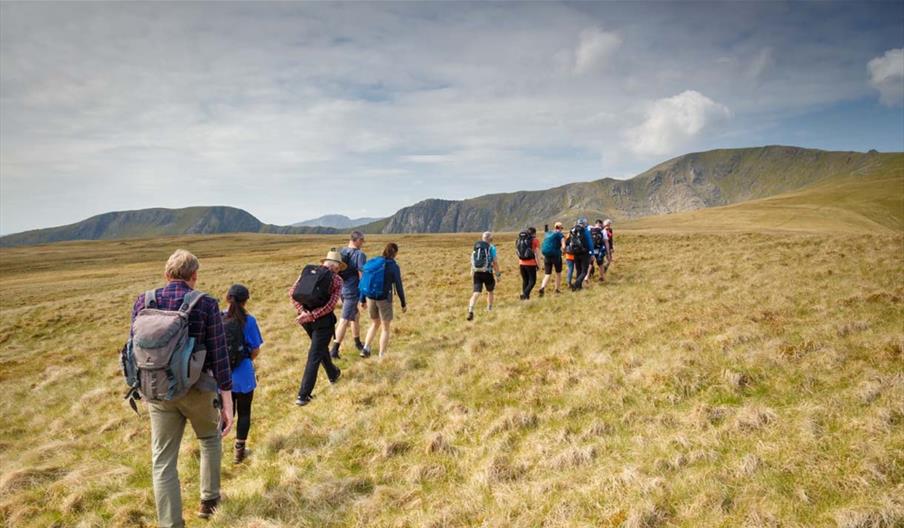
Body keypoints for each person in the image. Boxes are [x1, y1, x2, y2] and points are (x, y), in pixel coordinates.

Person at [130, 249, 234, 525]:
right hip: (198, 390)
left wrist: (140, 387)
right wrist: (227, 400)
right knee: (210, 439)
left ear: (166, 275)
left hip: (157, 392)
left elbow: (134, 350)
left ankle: (170, 523)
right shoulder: (205, 304)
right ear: (194, 276)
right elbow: (219, 353)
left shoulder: (144, 300)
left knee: (162, 461)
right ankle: (208, 501)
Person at [290, 249, 344, 406]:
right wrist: (312, 315)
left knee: (319, 348)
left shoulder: (308, 272)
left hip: (305, 320)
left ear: (324, 262)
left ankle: (333, 374)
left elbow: (292, 293)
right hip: (323, 322)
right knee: (314, 355)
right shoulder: (337, 280)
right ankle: (303, 395)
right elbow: (331, 305)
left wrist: (303, 312)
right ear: (337, 266)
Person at [223, 284, 263, 464]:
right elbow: (255, 349)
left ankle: (214, 449)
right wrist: (246, 360)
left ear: (227, 298)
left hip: (222, 375)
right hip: (244, 373)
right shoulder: (250, 320)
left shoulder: (218, 317)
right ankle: (239, 452)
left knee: (223, 412)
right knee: (244, 412)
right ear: (246, 300)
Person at [360, 242, 407, 357]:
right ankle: (382, 355)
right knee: (385, 328)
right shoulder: (393, 266)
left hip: (370, 297)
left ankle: (366, 348)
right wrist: (403, 303)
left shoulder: (374, 262)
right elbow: (398, 286)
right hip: (384, 299)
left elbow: (365, 281)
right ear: (395, 253)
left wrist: (362, 299)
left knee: (375, 323)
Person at [330, 231, 367, 359]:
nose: (363, 243)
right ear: (356, 240)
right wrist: (364, 294)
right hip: (352, 291)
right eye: (362, 240)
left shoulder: (342, 251)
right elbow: (363, 275)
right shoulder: (360, 254)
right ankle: (334, 350)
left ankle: (357, 342)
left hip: (342, 289)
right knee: (344, 320)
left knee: (355, 315)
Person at [467, 231, 501, 321]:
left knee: (476, 293)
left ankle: (470, 310)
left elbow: (473, 260)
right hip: (487, 272)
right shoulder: (491, 248)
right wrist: (498, 274)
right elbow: (495, 262)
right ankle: (489, 308)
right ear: (490, 239)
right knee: (490, 291)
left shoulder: (477, 247)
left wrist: (472, 271)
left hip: (477, 272)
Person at [538, 222, 565, 297]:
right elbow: (563, 246)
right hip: (556, 256)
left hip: (547, 256)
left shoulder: (548, 233)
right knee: (558, 273)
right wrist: (564, 252)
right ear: (560, 228)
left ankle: (542, 287)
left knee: (547, 274)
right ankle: (557, 289)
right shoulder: (560, 234)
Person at [568, 217, 595, 290]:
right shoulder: (585, 231)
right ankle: (576, 284)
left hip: (575, 253)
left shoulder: (573, 230)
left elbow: (569, 241)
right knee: (584, 272)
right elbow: (590, 243)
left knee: (578, 270)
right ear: (585, 223)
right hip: (584, 253)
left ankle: (579, 287)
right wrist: (592, 253)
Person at [516, 226, 540, 300]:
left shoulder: (519, 240)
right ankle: (525, 294)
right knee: (532, 281)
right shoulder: (535, 240)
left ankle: (526, 298)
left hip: (521, 263)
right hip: (531, 263)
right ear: (534, 233)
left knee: (525, 280)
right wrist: (538, 264)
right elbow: (536, 254)